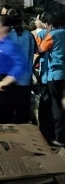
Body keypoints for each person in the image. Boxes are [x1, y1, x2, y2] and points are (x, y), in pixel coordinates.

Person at [0, 15, 27, 125]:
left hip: (2, 86)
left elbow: (20, 64)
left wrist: (5, 82)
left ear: (4, 28)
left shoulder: (10, 45)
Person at [37, 11, 65, 145]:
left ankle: (58, 136)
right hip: (63, 73)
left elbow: (41, 49)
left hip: (54, 74)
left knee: (56, 105)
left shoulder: (52, 35)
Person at [6, 8, 35, 124]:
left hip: (9, 78)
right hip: (25, 78)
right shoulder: (28, 35)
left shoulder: (7, 35)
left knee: (10, 111)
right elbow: (32, 54)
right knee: (23, 111)